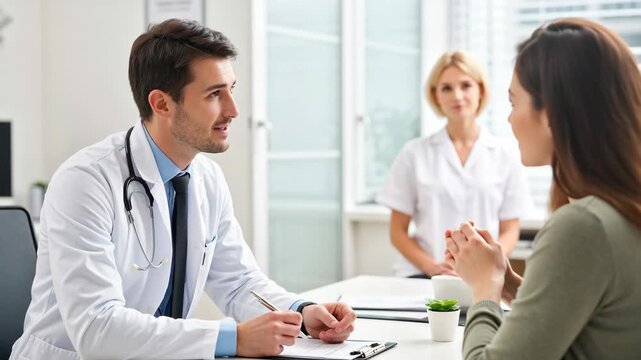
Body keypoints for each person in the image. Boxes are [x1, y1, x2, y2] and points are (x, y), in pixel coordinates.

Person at [10, 19, 355, 360]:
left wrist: (301, 313)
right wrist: (233, 338)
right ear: (161, 104)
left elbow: (237, 281)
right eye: (214, 94)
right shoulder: (85, 182)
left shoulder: (206, 179)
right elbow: (97, 330)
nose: (233, 111)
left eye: (231, 90)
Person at [446, 18, 641, 359]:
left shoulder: (583, 226)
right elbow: (584, 319)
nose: (509, 120)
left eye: (513, 102)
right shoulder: (619, 210)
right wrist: (508, 284)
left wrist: (484, 290)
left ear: (549, 112)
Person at [377, 51, 529, 278]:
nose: (457, 95)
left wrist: (487, 262)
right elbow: (397, 232)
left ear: (480, 90)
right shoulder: (414, 153)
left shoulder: (505, 154)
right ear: (436, 95)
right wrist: (433, 268)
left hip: (483, 275)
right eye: (446, 88)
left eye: (465, 85)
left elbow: (510, 229)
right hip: (422, 275)